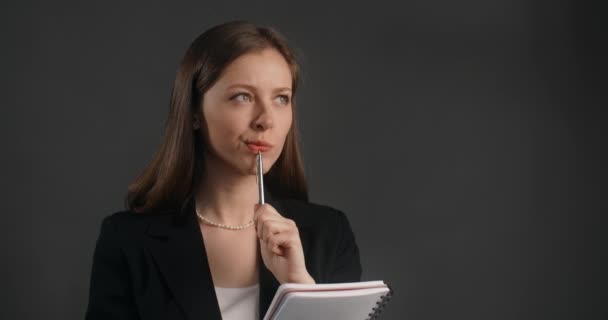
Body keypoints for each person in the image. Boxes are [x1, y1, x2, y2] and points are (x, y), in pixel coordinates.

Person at [84, 20, 362, 320]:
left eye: (281, 98)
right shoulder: (128, 240)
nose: (266, 120)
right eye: (242, 96)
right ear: (193, 112)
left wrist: (299, 288)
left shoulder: (329, 234)